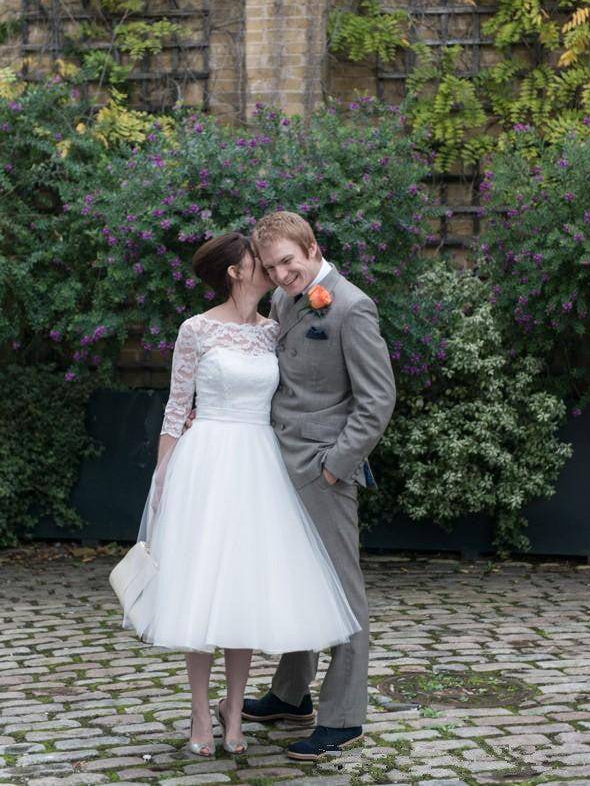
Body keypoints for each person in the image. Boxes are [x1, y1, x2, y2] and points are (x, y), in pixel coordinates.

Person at [120, 232, 360, 760]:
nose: (270, 267)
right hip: (205, 463)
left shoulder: (275, 328)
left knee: (244, 588)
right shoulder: (196, 329)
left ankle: (235, 708)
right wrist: (163, 477)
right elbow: (176, 404)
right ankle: (201, 711)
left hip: (260, 465)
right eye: (258, 259)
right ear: (235, 270)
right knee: (200, 587)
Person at [239, 211, 397, 761]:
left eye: (289, 261)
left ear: (312, 247)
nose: (282, 275)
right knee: (298, 580)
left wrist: (336, 465)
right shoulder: (284, 301)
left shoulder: (351, 307)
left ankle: (345, 718)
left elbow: (377, 400)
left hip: (322, 469)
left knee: (341, 591)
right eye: (272, 266)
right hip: (277, 462)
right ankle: (289, 694)